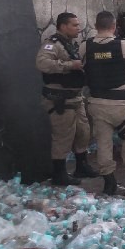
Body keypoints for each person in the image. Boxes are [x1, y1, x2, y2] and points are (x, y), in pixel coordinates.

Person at [79, 11, 125, 196]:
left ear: (96, 26)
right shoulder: (124, 45)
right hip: (121, 104)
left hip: (96, 103)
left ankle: (109, 184)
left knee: (103, 144)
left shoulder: (85, 47)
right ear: (114, 27)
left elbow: (82, 65)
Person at [36, 12, 99, 186]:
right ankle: (59, 173)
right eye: (74, 25)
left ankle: (81, 165)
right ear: (63, 26)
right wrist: (69, 65)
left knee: (83, 132)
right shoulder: (52, 44)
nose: (78, 28)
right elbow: (42, 63)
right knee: (63, 136)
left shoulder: (71, 44)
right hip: (60, 100)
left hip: (75, 98)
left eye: (78, 25)